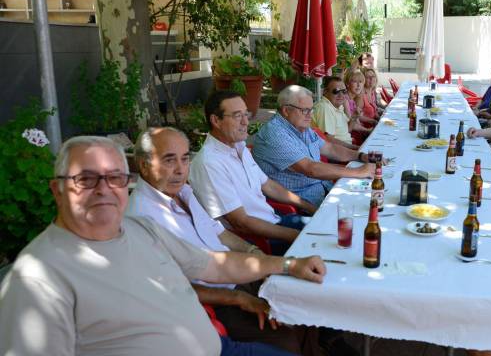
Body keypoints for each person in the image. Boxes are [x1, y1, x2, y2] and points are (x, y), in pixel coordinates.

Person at [0, 136, 326, 356]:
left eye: (114, 177)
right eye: (85, 179)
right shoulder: (38, 275)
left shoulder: (139, 228)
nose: (103, 189)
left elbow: (214, 265)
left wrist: (288, 264)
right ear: (57, 189)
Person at [128, 127, 316, 354]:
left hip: (238, 275)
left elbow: (219, 233)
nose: (180, 170)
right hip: (217, 301)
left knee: (307, 299)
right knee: (285, 338)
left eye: (185, 159)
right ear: (143, 165)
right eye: (169, 160)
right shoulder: (139, 217)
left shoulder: (183, 192)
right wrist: (237, 298)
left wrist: (253, 251)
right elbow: (171, 286)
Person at [189, 90, 316, 255]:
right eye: (237, 116)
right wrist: (296, 236)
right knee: (327, 243)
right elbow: (241, 223)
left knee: (330, 227)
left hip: (276, 221)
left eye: (246, 114)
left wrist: (309, 207)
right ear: (216, 120)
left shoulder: (239, 146)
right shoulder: (209, 163)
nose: (245, 122)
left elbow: (268, 186)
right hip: (261, 239)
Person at [252, 85, 376, 208]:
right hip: (304, 203)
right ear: (286, 111)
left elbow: (330, 149)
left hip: (324, 190)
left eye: (312, 110)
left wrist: (361, 156)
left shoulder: (299, 126)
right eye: (305, 110)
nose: (310, 115)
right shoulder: (275, 134)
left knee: (373, 198)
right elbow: (310, 169)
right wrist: (358, 172)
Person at [312, 76, 363, 148]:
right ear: (325, 92)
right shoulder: (324, 107)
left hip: (346, 147)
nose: (341, 95)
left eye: (344, 91)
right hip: (338, 153)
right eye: (336, 91)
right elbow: (328, 140)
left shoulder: (338, 106)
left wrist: (354, 117)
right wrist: (354, 148)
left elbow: (347, 130)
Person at [344, 69, 377, 144]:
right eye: (355, 82)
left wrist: (373, 121)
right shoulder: (345, 100)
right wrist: (367, 130)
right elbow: (351, 123)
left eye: (361, 82)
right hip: (352, 138)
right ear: (347, 84)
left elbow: (357, 116)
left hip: (360, 133)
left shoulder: (351, 99)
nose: (359, 85)